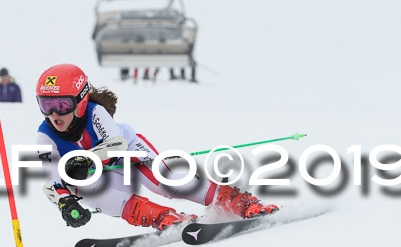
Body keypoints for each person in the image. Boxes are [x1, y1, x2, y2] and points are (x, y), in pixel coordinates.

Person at [35, 63, 278, 230]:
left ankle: (240, 203)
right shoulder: (45, 137)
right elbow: (51, 181)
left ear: (80, 101)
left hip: (128, 151)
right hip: (104, 177)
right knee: (84, 188)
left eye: (62, 105)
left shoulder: (95, 112)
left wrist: (86, 160)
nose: (54, 114)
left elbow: (116, 144)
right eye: (46, 105)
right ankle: (165, 217)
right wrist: (66, 204)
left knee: (165, 183)